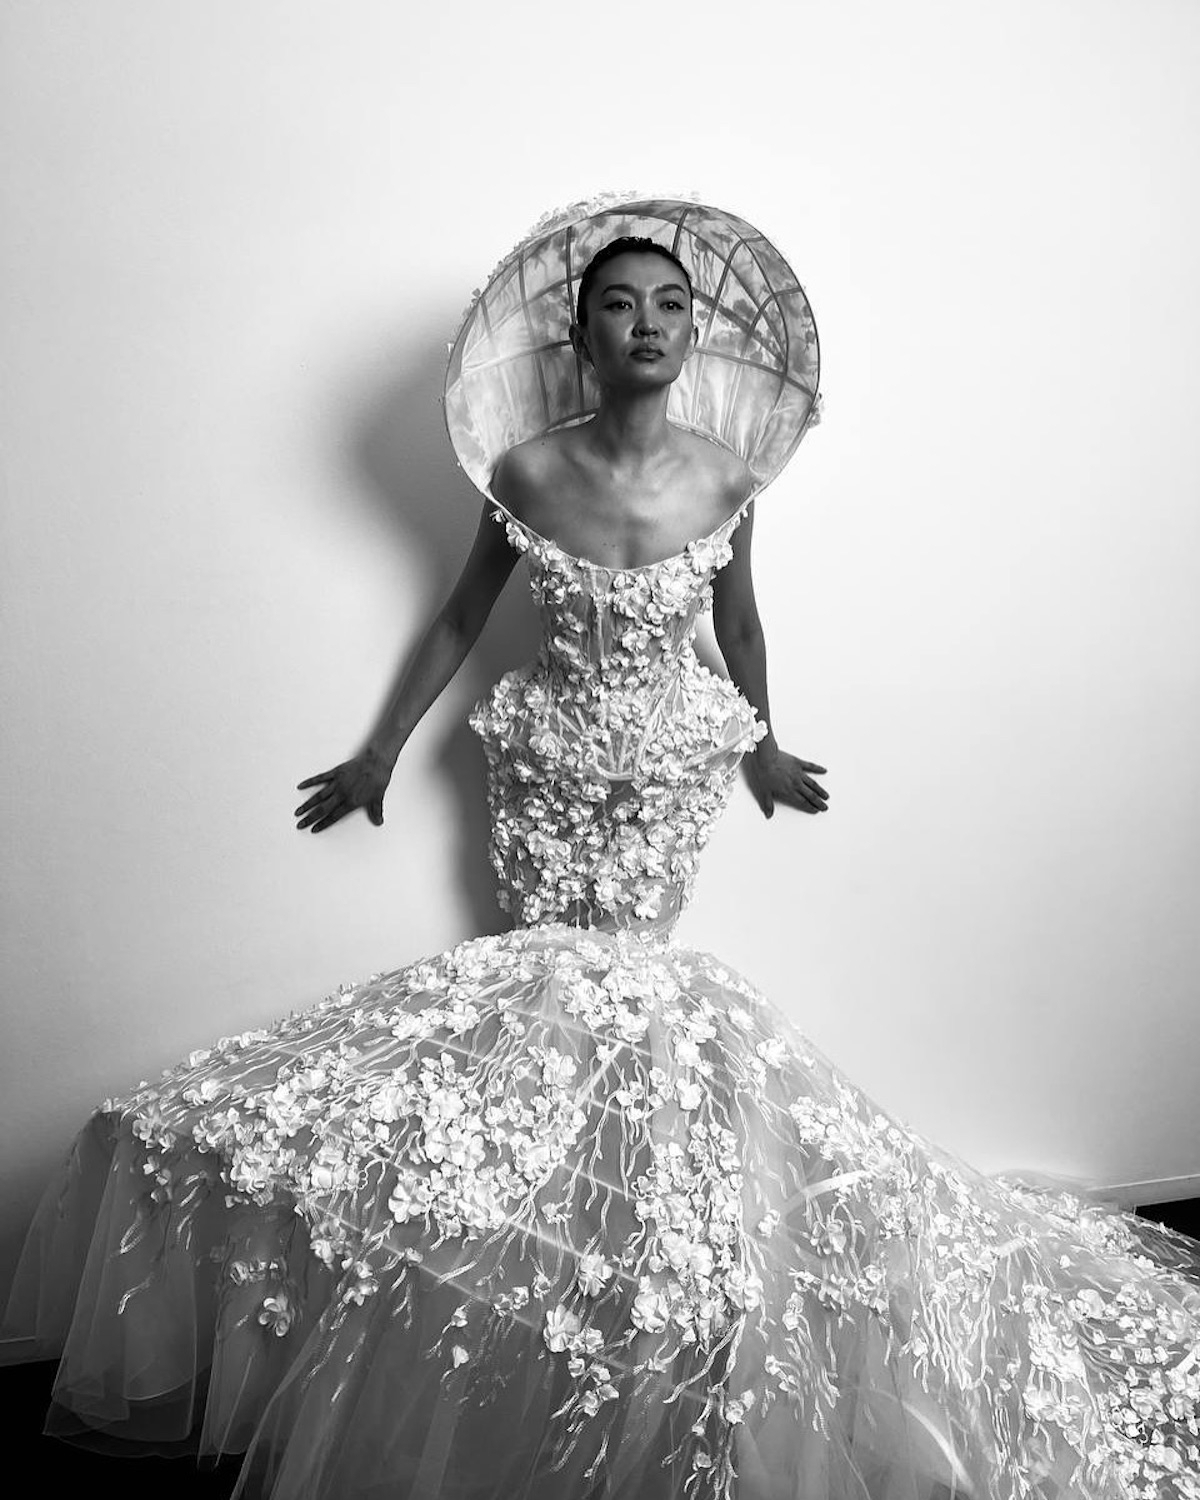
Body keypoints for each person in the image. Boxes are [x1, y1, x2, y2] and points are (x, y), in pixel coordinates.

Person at [3, 198, 1199, 1500]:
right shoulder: (525, 471)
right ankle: (558, 1277)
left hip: (665, 767)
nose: (648, 324)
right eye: (620, 305)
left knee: (633, 1001)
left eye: (671, 306)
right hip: (549, 759)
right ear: (581, 336)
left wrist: (763, 745)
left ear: (694, 336)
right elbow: (461, 614)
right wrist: (381, 752)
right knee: (543, 1003)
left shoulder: (730, 477)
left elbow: (740, 625)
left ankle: (637, 1274)